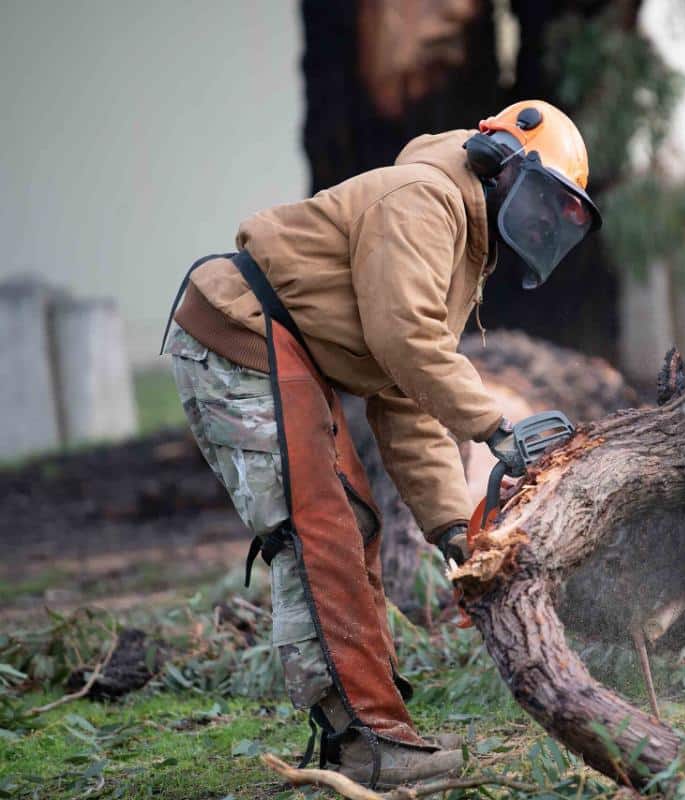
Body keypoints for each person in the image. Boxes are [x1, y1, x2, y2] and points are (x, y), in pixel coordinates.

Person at [161, 100, 600, 789]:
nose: (544, 222)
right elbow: (409, 344)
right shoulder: (425, 202)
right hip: (241, 335)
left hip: (279, 349)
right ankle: (365, 743)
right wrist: (497, 428)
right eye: (542, 200)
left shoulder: (458, 238)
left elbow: (406, 394)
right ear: (497, 164)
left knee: (351, 524)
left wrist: (456, 528)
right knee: (322, 532)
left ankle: (368, 734)